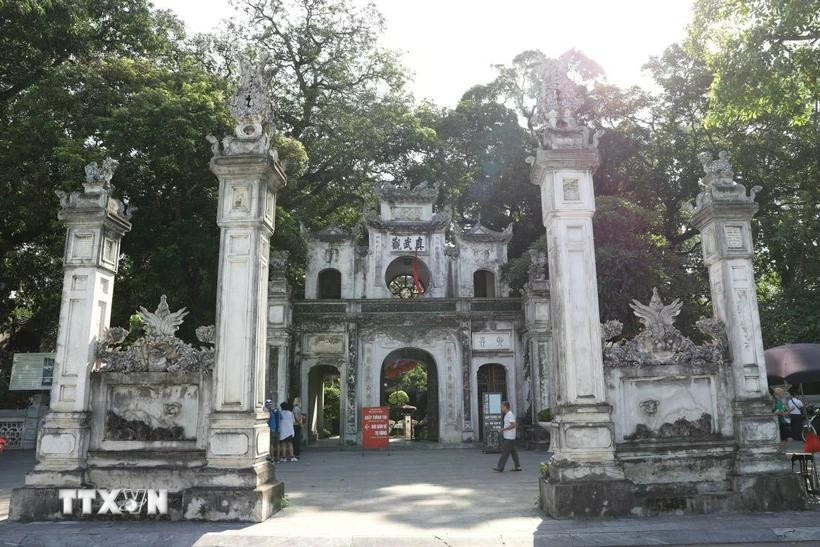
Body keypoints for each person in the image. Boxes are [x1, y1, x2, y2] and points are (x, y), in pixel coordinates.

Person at [493, 401, 521, 472]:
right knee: (513, 452)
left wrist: (504, 429)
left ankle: (500, 467)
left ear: (505, 407)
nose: (501, 408)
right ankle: (517, 466)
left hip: (509, 437)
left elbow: (514, 424)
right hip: (511, 436)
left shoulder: (509, 414)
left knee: (505, 453)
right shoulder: (507, 415)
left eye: (502, 407)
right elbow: (515, 424)